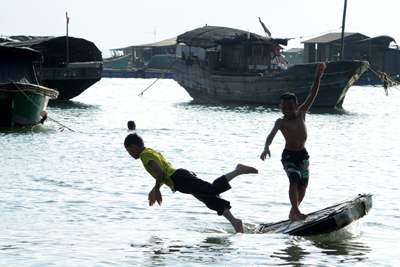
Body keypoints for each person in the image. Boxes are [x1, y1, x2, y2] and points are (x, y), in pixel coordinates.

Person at [124, 133, 259, 233]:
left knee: (210, 190)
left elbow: (160, 172)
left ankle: (237, 170)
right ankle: (235, 222)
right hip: (180, 178)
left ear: (133, 147)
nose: (129, 154)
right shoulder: (150, 151)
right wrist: (155, 189)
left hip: (180, 178)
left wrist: (157, 190)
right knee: (208, 198)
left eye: (128, 151)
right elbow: (164, 173)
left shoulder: (144, 155)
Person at [260, 63, 326, 221]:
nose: (287, 111)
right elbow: (271, 135)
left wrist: (317, 77)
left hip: (302, 156)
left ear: (296, 106)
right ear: (280, 107)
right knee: (294, 181)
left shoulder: (301, 114)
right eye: (284, 108)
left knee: (303, 187)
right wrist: (266, 147)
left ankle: (293, 212)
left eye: (290, 108)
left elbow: (312, 94)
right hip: (289, 156)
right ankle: (296, 212)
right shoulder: (281, 122)